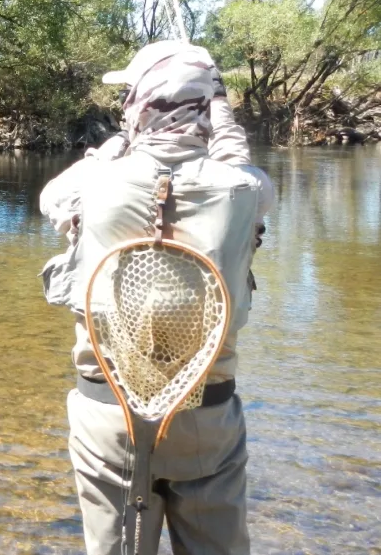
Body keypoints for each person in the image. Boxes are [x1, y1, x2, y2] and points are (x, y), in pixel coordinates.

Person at [38, 41, 276, 555]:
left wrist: (122, 144)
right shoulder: (246, 189)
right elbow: (236, 157)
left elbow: (53, 198)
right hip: (206, 417)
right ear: (204, 110)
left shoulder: (90, 183)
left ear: (140, 105)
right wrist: (220, 113)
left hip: (109, 413)